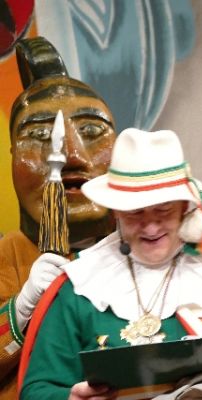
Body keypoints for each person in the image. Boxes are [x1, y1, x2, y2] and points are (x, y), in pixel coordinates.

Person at [20, 128, 202, 400]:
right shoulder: (81, 287)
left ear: (184, 207)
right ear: (116, 211)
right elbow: (37, 390)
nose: (151, 226)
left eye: (163, 209)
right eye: (135, 212)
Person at [0, 37, 116, 399]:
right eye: (38, 134)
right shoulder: (6, 256)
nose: (70, 155)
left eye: (92, 131)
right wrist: (20, 310)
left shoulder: (146, 245)